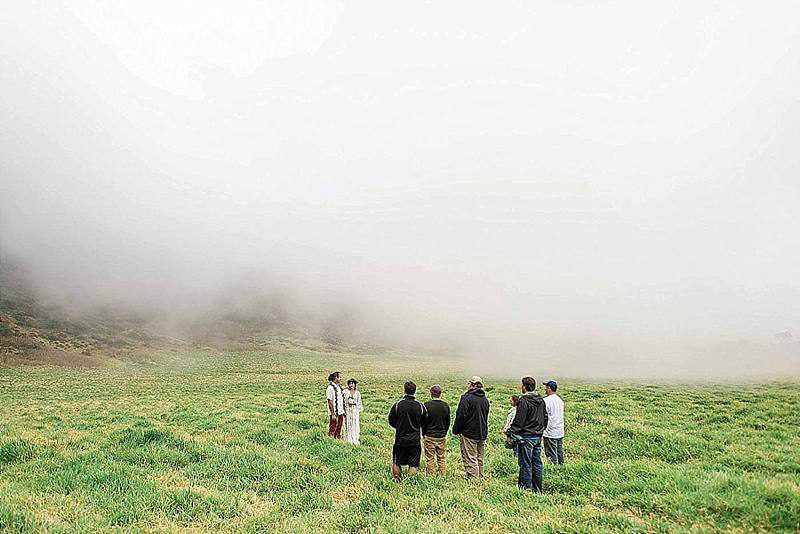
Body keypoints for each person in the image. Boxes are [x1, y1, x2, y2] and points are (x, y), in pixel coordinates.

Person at [507, 376, 548, 493]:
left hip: (526, 436)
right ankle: (538, 488)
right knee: (537, 462)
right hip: (538, 436)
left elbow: (519, 421)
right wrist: (541, 430)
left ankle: (525, 489)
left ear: (524, 387)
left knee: (526, 463)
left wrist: (511, 431)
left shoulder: (524, 401)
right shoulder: (541, 400)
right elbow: (545, 417)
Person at [388, 380, 427, 482]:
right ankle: (409, 483)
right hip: (414, 440)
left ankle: (397, 480)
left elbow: (391, 420)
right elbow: (424, 422)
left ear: (404, 390)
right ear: (415, 391)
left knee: (397, 462)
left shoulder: (397, 405)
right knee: (413, 464)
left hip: (400, 439)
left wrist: (399, 427)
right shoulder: (420, 406)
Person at [452, 375, 490, 478]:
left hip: (469, 433)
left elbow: (460, 415)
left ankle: (473, 480)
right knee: (479, 457)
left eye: (469, 383)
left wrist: (456, 430)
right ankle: (480, 477)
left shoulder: (466, 398)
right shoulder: (485, 400)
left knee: (470, 457)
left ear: (472, 385)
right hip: (482, 432)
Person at [422, 384, 450, 475]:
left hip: (429, 436)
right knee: (441, 458)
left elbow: (423, 422)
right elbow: (448, 422)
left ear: (431, 393)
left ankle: (431, 477)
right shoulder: (445, 405)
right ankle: (443, 475)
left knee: (429, 458)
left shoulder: (426, 405)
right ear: (440, 394)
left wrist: (424, 433)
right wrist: (444, 432)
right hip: (441, 436)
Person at [542, 380, 564, 464]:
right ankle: (561, 468)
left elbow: (543, 416)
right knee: (559, 452)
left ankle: (553, 470)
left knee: (551, 454)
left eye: (546, 387)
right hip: (559, 431)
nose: (545, 389)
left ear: (549, 388)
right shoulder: (560, 400)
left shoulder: (546, 401)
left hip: (550, 431)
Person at [343, 378, 363, 445]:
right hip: (347, 410)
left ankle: (355, 438)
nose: (351, 385)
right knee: (348, 424)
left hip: (354, 411)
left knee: (354, 424)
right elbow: (342, 401)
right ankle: (348, 439)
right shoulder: (345, 391)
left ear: (355, 385)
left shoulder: (357, 393)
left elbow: (359, 402)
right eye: (350, 383)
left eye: (352, 383)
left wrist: (354, 403)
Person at [326, 372, 345, 439]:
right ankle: (331, 440)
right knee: (333, 427)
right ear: (336, 378)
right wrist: (333, 413)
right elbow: (330, 401)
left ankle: (337, 439)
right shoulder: (330, 388)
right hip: (334, 412)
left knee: (339, 427)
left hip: (340, 411)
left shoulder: (339, 387)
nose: (340, 379)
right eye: (339, 377)